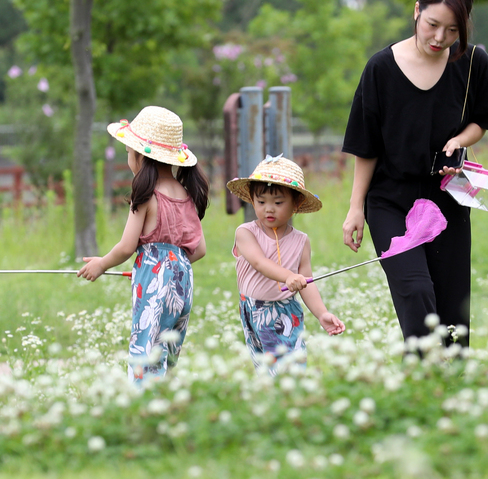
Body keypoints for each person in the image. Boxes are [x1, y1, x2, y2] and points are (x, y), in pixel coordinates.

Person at [341, 0, 488, 347]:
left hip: (448, 199)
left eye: (452, 30)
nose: (440, 38)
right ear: (416, 11)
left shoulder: (473, 63)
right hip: (390, 199)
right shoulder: (380, 69)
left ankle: (450, 382)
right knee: (414, 289)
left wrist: (459, 139)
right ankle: (421, 374)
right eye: (432, 24)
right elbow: (366, 146)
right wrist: (355, 207)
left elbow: (480, 121)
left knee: (451, 312)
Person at [78, 106, 208, 381]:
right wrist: (151, 268)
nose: (128, 157)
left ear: (141, 155)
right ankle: (167, 401)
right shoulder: (186, 194)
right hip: (184, 283)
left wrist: (102, 264)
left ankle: (143, 406)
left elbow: (127, 246)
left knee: (145, 351)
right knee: (167, 354)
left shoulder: (146, 194)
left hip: (156, 280)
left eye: (128, 151)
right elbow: (200, 250)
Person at [227, 155, 345, 372]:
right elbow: (259, 262)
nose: (268, 209)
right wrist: (288, 276)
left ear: (296, 204)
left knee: (288, 367)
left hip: (284, 312)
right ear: (252, 201)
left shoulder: (301, 241)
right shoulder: (245, 233)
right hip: (252, 309)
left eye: (278, 203)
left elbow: (306, 281)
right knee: (264, 368)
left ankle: (292, 398)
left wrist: (322, 313)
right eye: (261, 202)